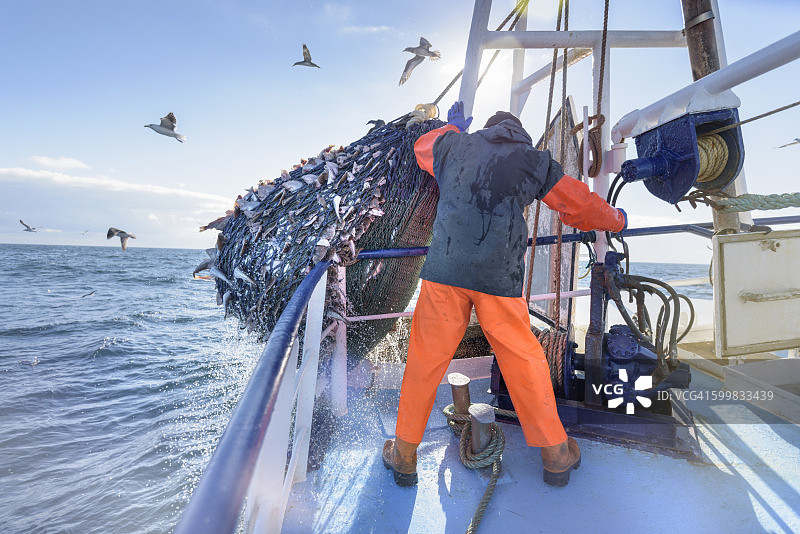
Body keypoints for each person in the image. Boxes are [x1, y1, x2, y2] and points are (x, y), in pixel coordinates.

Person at [382, 101, 627, 488]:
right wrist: (617, 219)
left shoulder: (454, 145)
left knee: (425, 361)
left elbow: (421, 146)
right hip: (499, 278)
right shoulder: (532, 159)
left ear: (486, 130)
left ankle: (405, 454)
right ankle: (556, 454)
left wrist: (453, 128)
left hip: (445, 272)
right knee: (524, 360)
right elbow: (577, 204)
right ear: (520, 135)